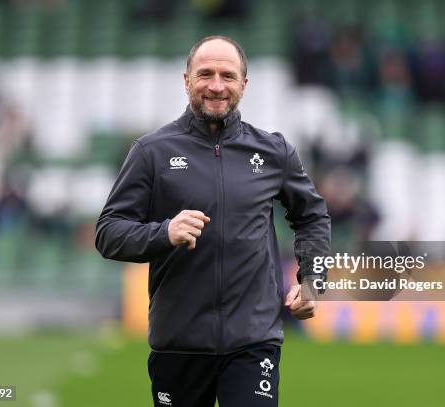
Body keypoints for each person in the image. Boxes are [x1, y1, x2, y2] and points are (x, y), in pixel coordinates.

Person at [95, 35, 330, 407]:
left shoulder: (274, 152)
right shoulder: (151, 152)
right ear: (187, 80)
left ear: (244, 85)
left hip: (254, 342)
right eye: (205, 74)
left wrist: (313, 279)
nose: (216, 86)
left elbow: (313, 216)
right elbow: (108, 233)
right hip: (179, 344)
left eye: (227, 75)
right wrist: (164, 232)